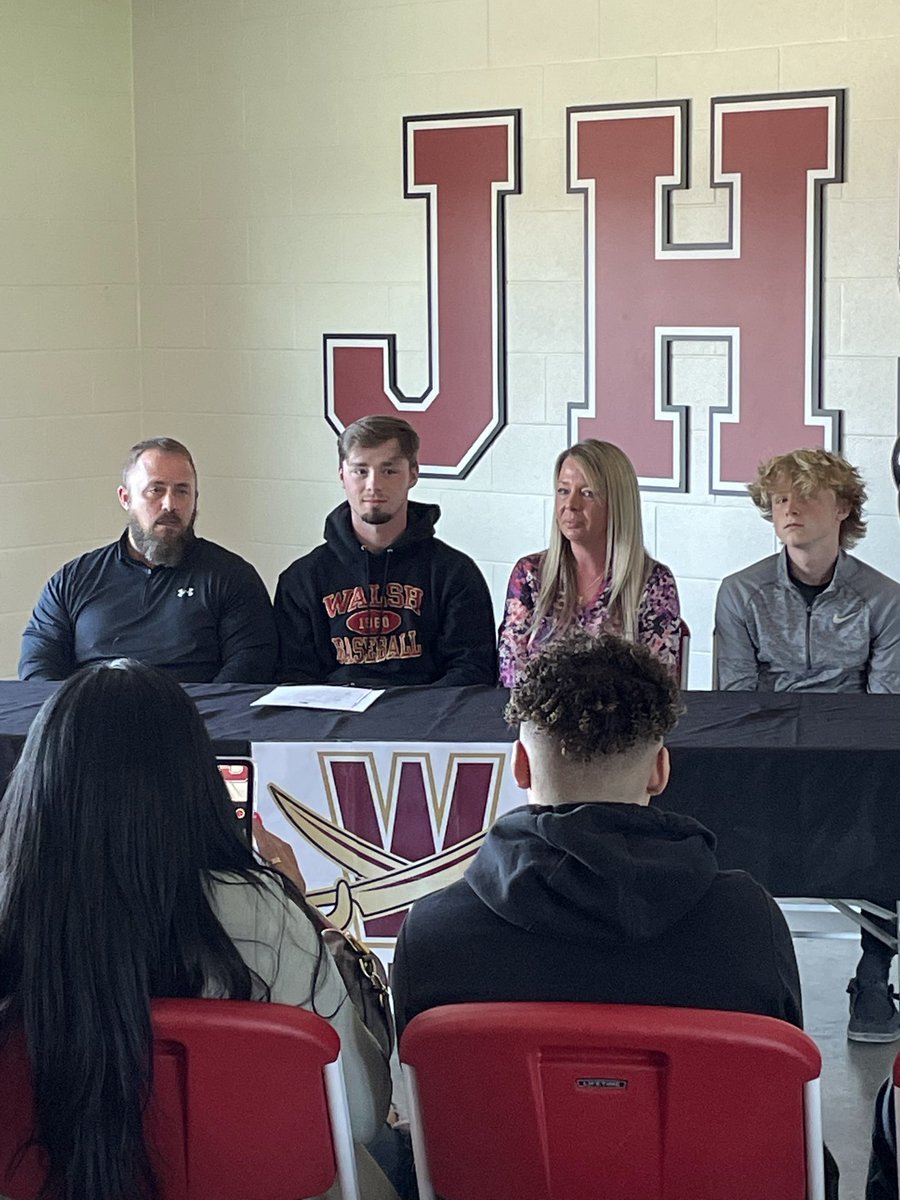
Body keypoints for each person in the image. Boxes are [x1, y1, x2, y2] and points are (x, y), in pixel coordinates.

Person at [393, 632, 838, 1197]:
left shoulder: (432, 931)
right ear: (660, 771)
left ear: (520, 765)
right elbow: (776, 1093)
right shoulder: (746, 920)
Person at [0, 660, 400, 1200]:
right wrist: (309, 917)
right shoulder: (265, 913)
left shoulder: (14, 911)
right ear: (196, 781)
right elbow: (356, 1115)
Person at [715, 448, 900, 1042]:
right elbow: (736, 698)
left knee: (890, 807)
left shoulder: (885, 598)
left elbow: (883, 709)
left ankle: (873, 974)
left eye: (806, 495)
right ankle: (742, 976)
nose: (789, 508)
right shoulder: (740, 591)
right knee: (712, 810)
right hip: (764, 754)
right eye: (779, 499)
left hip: (855, 756)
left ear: (844, 507)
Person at [18, 437, 277, 683]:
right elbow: (38, 664)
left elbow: (250, 668)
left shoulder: (231, 577)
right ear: (126, 498)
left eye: (182, 491)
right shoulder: (73, 580)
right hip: (90, 722)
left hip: (195, 723)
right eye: (156, 490)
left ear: (195, 500)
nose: (169, 505)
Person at [274, 415, 496, 687]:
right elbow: (294, 677)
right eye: (360, 470)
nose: (373, 485)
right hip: (332, 723)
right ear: (342, 474)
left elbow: (471, 670)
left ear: (413, 474)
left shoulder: (455, 574)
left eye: (389, 470)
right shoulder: (302, 580)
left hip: (425, 722)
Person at [497, 439, 681, 687]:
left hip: (621, 723)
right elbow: (511, 674)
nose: (570, 505)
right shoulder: (530, 574)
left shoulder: (654, 582)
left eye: (587, 493)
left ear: (616, 503)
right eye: (563, 490)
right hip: (541, 720)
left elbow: (659, 683)